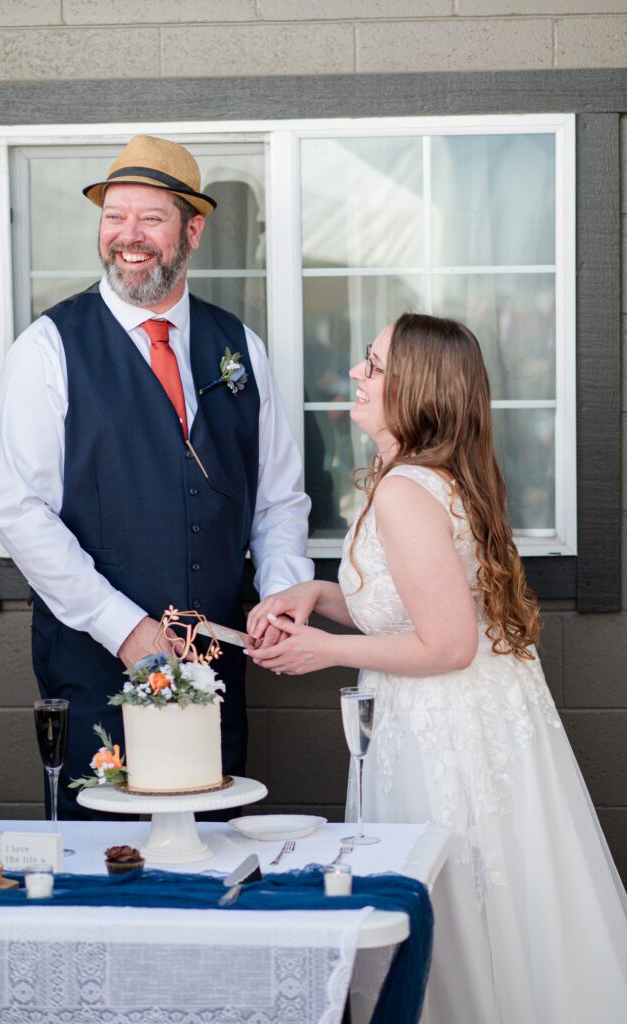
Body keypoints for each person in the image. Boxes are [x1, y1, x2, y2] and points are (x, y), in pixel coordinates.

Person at [247, 313, 627, 1022]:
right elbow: (399, 611)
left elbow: (446, 644)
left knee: (449, 906)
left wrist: (322, 649)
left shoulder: (403, 492)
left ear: (416, 388)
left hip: (444, 733)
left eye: (373, 364)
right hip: (446, 717)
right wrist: (312, 595)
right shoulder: (419, 480)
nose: (356, 375)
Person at [0, 135, 313, 819]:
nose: (126, 237)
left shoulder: (240, 348)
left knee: (211, 859)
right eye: (113, 216)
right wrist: (124, 627)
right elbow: (19, 512)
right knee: (105, 872)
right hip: (95, 669)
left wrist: (281, 597)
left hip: (215, 671)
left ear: (192, 230)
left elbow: (278, 501)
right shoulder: (47, 348)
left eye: (150, 219)